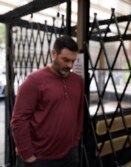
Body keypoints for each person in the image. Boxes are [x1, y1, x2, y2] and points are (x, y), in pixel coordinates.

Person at [10, 35, 84, 167]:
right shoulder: (34, 81)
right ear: (54, 54)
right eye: (65, 60)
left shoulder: (77, 81)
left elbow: (79, 113)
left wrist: (75, 143)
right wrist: (28, 155)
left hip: (70, 155)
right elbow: (19, 120)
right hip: (40, 158)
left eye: (73, 61)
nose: (70, 65)